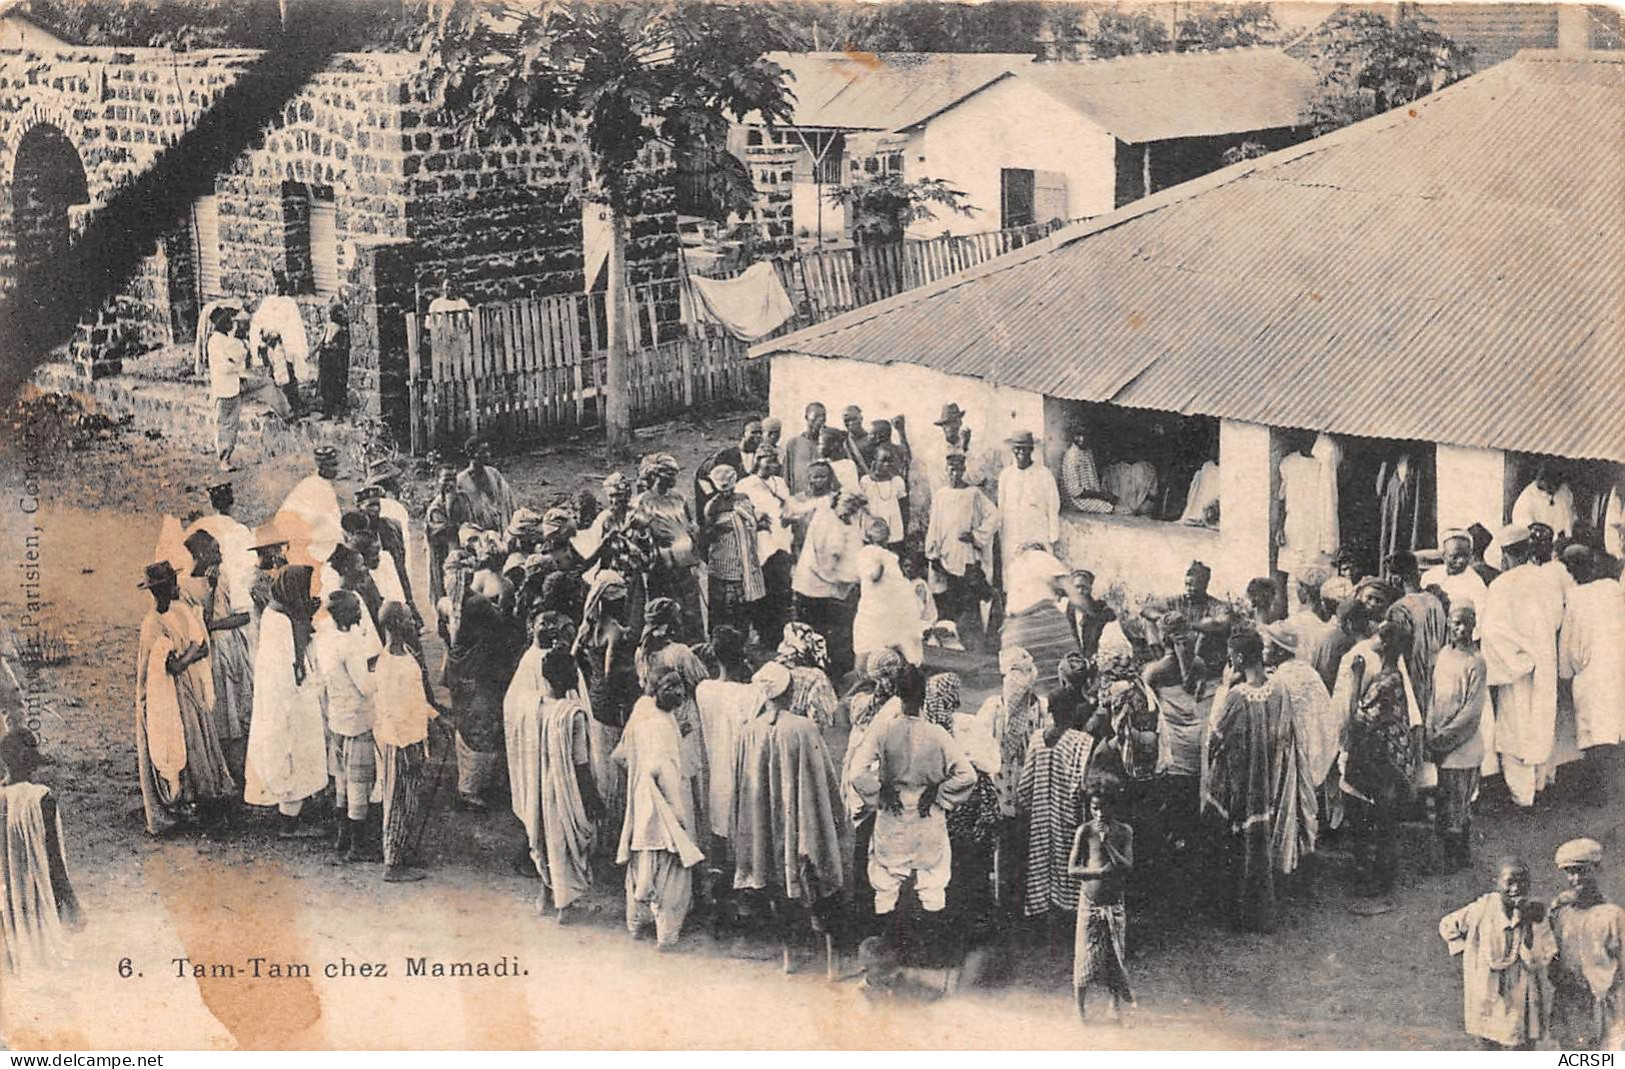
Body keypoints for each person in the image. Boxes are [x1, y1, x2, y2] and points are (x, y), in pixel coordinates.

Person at [848, 664, 975, 955]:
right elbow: (967, 775)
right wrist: (939, 792)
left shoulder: (883, 731)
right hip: (927, 815)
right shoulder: (937, 734)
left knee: (886, 883)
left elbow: (857, 773)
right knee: (932, 882)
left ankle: (889, 951)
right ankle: (930, 953)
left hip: (892, 815)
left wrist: (880, 792)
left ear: (896, 693)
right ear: (923, 695)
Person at [1204, 630, 1312, 931]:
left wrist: (1224, 688)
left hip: (1239, 786)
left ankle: (1236, 917)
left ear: (1237, 658)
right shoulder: (1278, 689)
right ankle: (1261, 914)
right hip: (1268, 782)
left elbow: (1215, 738)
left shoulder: (1236, 698)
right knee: (1258, 848)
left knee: (1235, 851)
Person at [730, 660, 847, 931]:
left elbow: (742, 789)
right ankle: (829, 956)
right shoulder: (803, 728)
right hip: (799, 821)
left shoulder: (749, 732)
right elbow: (825, 781)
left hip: (765, 827)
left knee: (773, 881)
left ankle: (787, 955)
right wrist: (836, 817)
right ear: (790, 692)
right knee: (813, 883)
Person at [135, 560, 234, 836]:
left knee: (197, 741)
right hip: (167, 695)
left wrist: (188, 654)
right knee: (176, 743)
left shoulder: (180, 612)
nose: (177, 588)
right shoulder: (152, 625)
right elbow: (169, 666)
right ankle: (181, 804)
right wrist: (189, 653)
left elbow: (202, 647)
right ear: (161, 591)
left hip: (188, 688)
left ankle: (201, 802)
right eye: (170, 585)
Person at [508, 646, 604, 918]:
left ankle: (546, 896)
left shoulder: (533, 707)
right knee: (564, 843)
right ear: (569, 678)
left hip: (538, 783)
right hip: (564, 788)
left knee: (542, 839)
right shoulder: (573, 715)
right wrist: (593, 800)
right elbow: (581, 766)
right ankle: (566, 906)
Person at [614, 670, 706, 950]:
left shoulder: (643, 712)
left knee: (642, 858)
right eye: (669, 687)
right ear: (655, 690)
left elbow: (622, 756)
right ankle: (666, 935)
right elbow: (663, 771)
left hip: (642, 800)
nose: (677, 693)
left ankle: (637, 924)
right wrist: (678, 813)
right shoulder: (660, 725)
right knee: (673, 866)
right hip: (664, 801)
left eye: (680, 687)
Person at [1481, 524, 1564, 808]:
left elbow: (1493, 631)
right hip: (1543, 660)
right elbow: (1555, 619)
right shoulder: (1546, 579)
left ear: (1505, 555)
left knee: (1516, 728)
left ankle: (1523, 795)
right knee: (1540, 721)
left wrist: (1517, 661)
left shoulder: (1501, 585)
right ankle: (1541, 782)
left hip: (1517, 668)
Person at [244, 565, 329, 838]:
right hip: (288, 700)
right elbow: (289, 664)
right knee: (293, 752)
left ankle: (295, 808)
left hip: (287, 696)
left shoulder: (279, 611)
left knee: (294, 754)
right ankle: (289, 823)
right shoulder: (280, 621)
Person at [1440, 858, 1556, 1050]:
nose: (1516, 889)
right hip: (1487, 991)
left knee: (1519, 1044)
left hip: (1521, 994)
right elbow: (1447, 925)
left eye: (1522, 883)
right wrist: (1467, 954)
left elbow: (1542, 956)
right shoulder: (1482, 908)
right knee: (1488, 1042)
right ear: (1497, 883)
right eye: (1509, 882)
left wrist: (1527, 926)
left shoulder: (1536, 913)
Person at [924, 673, 1001, 948]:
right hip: (966, 810)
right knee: (969, 871)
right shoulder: (965, 726)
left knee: (956, 872)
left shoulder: (933, 730)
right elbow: (991, 763)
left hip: (955, 812)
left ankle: (956, 930)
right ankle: (971, 930)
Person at [1019, 653, 1098, 925]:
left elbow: (1025, 785)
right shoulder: (1082, 741)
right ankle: (1071, 917)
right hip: (1070, 817)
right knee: (1070, 864)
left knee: (1042, 864)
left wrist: (1032, 806)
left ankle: (1045, 915)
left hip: (1041, 818)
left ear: (1050, 711)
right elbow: (1083, 784)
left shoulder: (1037, 739)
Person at [1340, 619, 1417, 895]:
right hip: (1388, 760)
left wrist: (1356, 678)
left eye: (1378, 633)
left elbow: (1355, 717)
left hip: (1379, 762)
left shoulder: (1385, 682)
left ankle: (1376, 882)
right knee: (1383, 822)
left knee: (1375, 821)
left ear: (1383, 644)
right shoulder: (1393, 677)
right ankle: (1379, 879)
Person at [0, 727, 85, 972]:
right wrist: (72, 903)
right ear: (32, 762)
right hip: (36, 894)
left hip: (8, 900)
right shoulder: (41, 799)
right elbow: (53, 860)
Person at [374, 602, 444, 883]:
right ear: (395, 624)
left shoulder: (406, 654)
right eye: (407, 619)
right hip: (400, 742)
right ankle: (392, 864)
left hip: (414, 737)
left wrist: (436, 718)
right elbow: (390, 711)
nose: (414, 622)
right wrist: (406, 747)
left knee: (410, 799)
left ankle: (403, 852)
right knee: (396, 802)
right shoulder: (388, 664)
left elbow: (416, 698)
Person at [444, 569, 522, 810]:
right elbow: (502, 621)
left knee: (467, 726)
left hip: (461, 673)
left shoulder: (449, 604)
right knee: (483, 729)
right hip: (480, 673)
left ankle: (468, 783)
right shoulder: (478, 603)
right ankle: (471, 788)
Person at [313, 589, 382, 860]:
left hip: (337, 717)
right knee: (359, 783)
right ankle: (358, 845)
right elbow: (365, 686)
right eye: (355, 609)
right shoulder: (351, 644)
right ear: (343, 614)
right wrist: (381, 674)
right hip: (357, 720)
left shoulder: (326, 638)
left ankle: (342, 838)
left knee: (342, 780)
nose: (360, 612)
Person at [183, 528, 255, 785]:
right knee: (216, 711)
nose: (220, 555)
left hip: (228, 649)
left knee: (234, 708)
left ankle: (237, 769)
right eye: (215, 551)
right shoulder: (186, 586)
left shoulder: (224, 577)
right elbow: (199, 620)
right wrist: (211, 592)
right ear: (201, 554)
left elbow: (244, 615)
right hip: (206, 654)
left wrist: (213, 627)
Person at [1260, 622, 1334, 864]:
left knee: (1291, 805)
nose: (1264, 650)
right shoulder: (1307, 671)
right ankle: (1303, 853)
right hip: (1309, 747)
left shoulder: (1282, 677)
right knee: (1303, 806)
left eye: (1267, 646)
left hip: (1292, 750)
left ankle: (1291, 858)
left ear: (1280, 650)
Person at [1548, 838, 1625, 1049]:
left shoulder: (1614, 916)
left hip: (1605, 1007)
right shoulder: (1560, 914)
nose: (1575, 878)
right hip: (1570, 1002)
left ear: (1597, 870)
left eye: (1582, 871)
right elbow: (1551, 958)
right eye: (1570, 872)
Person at [1068, 787, 1134, 1023]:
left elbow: (1127, 866)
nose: (1098, 813)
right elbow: (1072, 869)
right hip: (1090, 902)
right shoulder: (1084, 831)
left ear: (1113, 808)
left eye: (1103, 807)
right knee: (1084, 954)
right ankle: (1079, 1008)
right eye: (1094, 807)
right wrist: (1097, 872)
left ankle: (1114, 1005)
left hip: (1114, 903)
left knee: (1115, 955)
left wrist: (1107, 845)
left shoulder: (1124, 831)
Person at [924, 452, 1000, 653]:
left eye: (958, 469)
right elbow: (934, 525)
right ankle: (951, 651)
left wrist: (975, 536)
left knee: (969, 605)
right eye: (951, 470)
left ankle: (974, 650)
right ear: (946, 471)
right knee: (947, 605)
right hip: (946, 556)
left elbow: (994, 516)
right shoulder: (941, 494)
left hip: (966, 556)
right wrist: (933, 555)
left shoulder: (973, 494)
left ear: (964, 470)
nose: (954, 474)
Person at [1429, 603, 1486, 871]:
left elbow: (1471, 712)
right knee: (1446, 801)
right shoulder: (1443, 655)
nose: (1460, 628)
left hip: (1462, 747)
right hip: (1440, 742)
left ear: (1473, 626)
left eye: (1465, 623)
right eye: (1455, 622)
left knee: (1458, 804)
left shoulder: (1476, 662)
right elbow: (1434, 695)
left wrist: (1443, 739)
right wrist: (1431, 729)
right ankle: (1454, 855)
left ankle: (1456, 859)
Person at [1558, 545, 1625, 754]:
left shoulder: (1574, 598)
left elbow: (1566, 656)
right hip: (1617, 674)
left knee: (1598, 745)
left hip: (1591, 680)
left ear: (1569, 572)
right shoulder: (1613, 589)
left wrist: (1565, 675)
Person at [792, 488, 863, 683]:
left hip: (835, 587)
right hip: (815, 586)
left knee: (837, 634)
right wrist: (845, 577)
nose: (850, 513)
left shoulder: (847, 520)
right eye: (847, 509)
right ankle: (817, 675)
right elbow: (825, 560)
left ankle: (836, 673)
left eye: (853, 510)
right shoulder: (825, 522)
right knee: (816, 634)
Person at [635, 453, 706, 645]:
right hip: (662, 566)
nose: (675, 479)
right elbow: (636, 533)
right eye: (671, 475)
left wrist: (694, 530)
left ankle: (697, 647)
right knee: (668, 607)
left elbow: (690, 522)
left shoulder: (679, 498)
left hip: (685, 561)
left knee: (691, 607)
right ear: (657, 476)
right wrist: (652, 532)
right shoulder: (643, 501)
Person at [1140, 561, 1233, 687]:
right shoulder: (1178, 601)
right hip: (1174, 657)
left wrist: (1188, 625)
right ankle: (1165, 662)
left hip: (1201, 659)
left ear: (1204, 584)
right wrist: (1162, 618)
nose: (1189, 589)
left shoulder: (1216, 605)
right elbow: (1145, 609)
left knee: (1208, 624)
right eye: (1187, 584)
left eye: (1193, 585)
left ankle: (1190, 679)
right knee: (1149, 621)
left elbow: (1224, 624)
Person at [737, 450, 795, 647]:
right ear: (757, 461)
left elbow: (788, 505)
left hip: (782, 539)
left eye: (775, 462)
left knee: (781, 587)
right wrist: (757, 517)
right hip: (762, 543)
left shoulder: (779, 482)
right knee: (764, 587)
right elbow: (740, 512)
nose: (773, 466)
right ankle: (765, 634)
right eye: (768, 462)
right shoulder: (745, 484)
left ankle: (780, 633)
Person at [701, 464, 765, 640]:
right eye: (722, 487)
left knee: (740, 605)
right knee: (722, 605)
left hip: (742, 558)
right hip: (723, 561)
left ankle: (740, 641)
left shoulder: (743, 499)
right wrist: (722, 526)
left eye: (729, 486)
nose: (726, 492)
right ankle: (721, 642)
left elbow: (752, 522)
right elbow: (708, 534)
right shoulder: (712, 506)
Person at [1001, 547, 1078, 689]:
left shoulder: (1014, 566)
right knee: (1070, 672)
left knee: (1022, 685)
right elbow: (1077, 598)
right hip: (1044, 623)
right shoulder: (1044, 558)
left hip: (1014, 630)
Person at [854, 516, 925, 669]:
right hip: (875, 609)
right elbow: (873, 576)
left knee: (882, 648)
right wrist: (879, 566)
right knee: (869, 648)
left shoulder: (888, 557)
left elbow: (894, 584)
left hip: (884, 611)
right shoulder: (868, 553)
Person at [1385, 551, 1449, 715]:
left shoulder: (1399, 608)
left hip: (1413, 675)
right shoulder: (1435, 601)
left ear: (1399, 577)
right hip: (1438, 672)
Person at [997, 430, 1060, 578]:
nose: (1020, 452)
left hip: (1036, 534)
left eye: (1024, 448)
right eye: (1017, 448)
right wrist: (1002, 536)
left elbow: (1053, 507)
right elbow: (1001, 508)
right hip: (1012, 536)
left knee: (1037, 576)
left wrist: (1052, 538)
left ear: (1031, 449)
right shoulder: (1006, 475)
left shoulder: (1044, 475)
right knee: (1014, 577)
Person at [250, 271, 311, 419]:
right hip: (269, 346)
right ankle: (277, 407)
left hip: (284, 346)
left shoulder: (289, 303)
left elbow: (294, 325)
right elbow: (258, 321)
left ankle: (293, 406)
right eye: (275, 284)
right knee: (272, 378)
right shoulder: (267, 302)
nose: (277, 288)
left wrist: (281, 336)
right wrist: (262, 336)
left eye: (280, 284)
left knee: (288, 376)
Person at [281, 445, 345, 566]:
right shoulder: (312, 485)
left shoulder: (324, 485)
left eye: (336, 465)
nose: (336, 469)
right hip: (311, 545)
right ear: (322, 467)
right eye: (332, 466)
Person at [205, 304, 248, 473]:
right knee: (226, 424)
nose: (231, 324)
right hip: (224, 389)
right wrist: (237, 365)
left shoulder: (224, 340)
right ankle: (224, 459)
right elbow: (224, 367)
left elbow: (238, 355)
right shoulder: (216, 342)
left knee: (231, 423)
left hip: (232, 386)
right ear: (221, 324)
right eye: (228, 322)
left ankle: (226, 457)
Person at [1422, 530, 1487, 637]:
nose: (1461, 561)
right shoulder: (1429, 576)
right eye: (1455, 556)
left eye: (1465, 556)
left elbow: (1480, 621)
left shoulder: (1476, 584)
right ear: (1444, 556)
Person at [695, 419, 763, 519]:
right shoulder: (725, 455)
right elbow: (702, 477)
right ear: (742, 434)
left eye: (760, 432)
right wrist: (713, 497)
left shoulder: (762, 457)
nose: (758, 436)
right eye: (754, 432)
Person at [425, 466, 473, 607]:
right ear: (438, 481)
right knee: (444, 591)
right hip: (443, 554)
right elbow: (448, 531)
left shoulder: (463, 498)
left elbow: (470, 521)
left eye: (453, 479)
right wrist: (450, 505)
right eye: (446, 480)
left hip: (463, 551)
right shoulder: (436, 508)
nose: (450, 484)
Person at [459, 437, 519, 533]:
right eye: (483, 452)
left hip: (500, 526)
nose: (488, 455)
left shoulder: (493, 473)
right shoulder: (461, 481)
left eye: (488, 451)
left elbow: (509, 500)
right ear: (471, 454)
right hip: (476, 531)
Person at [859, 447, 909, 551]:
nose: (887, 464)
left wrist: (905, 529)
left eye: (890, 461)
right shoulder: (866, 481)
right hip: (873, 530)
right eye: (883, 460)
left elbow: (904, 507)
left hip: (893, 530)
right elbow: (861, 509)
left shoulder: (897, 482)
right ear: (874, 462)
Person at [1060, 425, 1115, 514]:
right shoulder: (1071, 456)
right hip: (1078, 500)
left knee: (1115, 503)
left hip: (1091, 495)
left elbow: (1093, 480)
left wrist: (1101, 494)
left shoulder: (1087, 452)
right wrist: (1101, 495)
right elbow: (1075, 491)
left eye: (1089, 436)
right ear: (1076, 438)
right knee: (1110, 507)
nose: (1088, 439)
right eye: (1084, 436)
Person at [1512, 465, 1576, 541]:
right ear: (1542, 481)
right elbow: (1523, 524)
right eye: (1549, 486)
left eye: (1556, 485)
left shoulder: (1564, 491)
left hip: (1562, 542)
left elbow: (1571, 517)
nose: (1553, 489)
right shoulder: (1527, 497)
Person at [1065, 570, 1115, 662]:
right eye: (1077, 587)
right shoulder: (1069, 609)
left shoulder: (1100, 609)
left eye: (1084, 587)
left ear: (1090, 588)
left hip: (1097, 658)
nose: (1080, 591)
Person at [316, 293, 350, 419]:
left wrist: (332, 347)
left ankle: (339, 414)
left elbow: (342, 347)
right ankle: (327, 412)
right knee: (325, 385)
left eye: (332, 314)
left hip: (335, 361)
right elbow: (322, 341)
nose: (329, 316)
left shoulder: (341, 330)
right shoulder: (328, 327)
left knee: (336, 386)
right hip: (326, 359)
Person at [784, 402, 827, 496]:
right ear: (806, 417)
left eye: (823, 416)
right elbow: (787, 476)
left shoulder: (828, 444)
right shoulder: (794, 444)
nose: (820, 420)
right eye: (815, 416)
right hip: (800, 499)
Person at [839, 404, 875, 476]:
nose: (851, 423)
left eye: (854, 419)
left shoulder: (873, 438)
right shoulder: (844, 443)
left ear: (861, 418)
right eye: (847, 420)